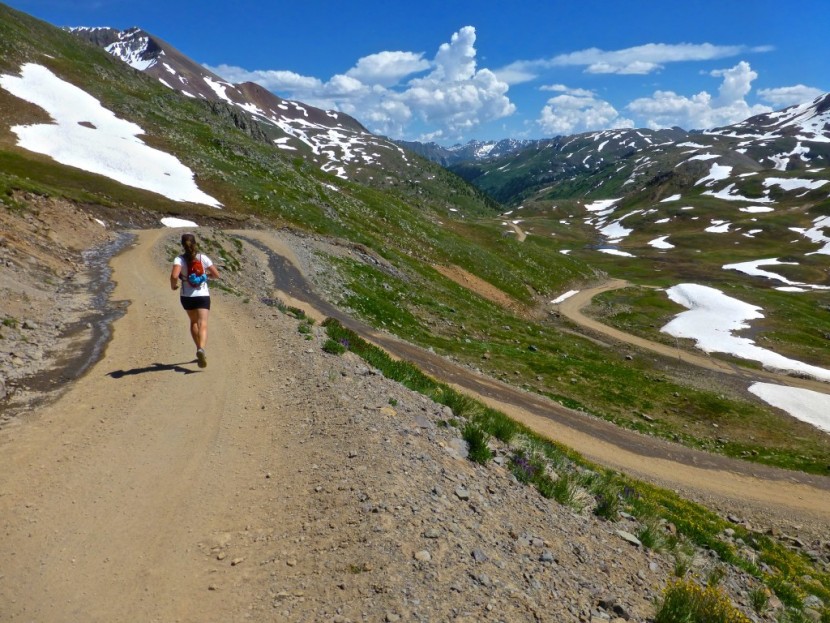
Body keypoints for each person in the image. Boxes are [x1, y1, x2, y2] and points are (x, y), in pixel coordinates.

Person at [169, 232, 220, 368]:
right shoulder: (203, 257)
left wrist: (174, 286)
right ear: (195, 243)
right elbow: (216, 275)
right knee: (203, 323)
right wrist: (205, 276)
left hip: (186, 296)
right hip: (202, 294)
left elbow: (174, 276)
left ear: (182, 245)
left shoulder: (179, 259)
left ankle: (198, 348)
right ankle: (201, 349)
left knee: (193, 322)